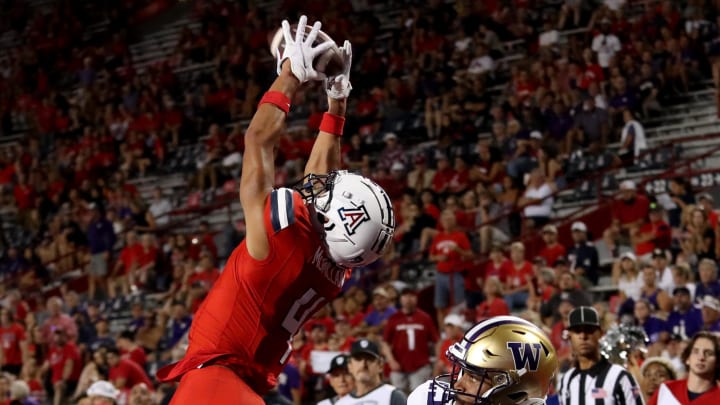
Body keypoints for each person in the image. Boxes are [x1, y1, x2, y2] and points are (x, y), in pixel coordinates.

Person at [156, 16, 395, 405]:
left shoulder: (280, 234)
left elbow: (257, 142)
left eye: (330, 195)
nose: (325, 184)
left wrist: (290, 73)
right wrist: (337, 99)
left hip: (218, 378)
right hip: (250, 386)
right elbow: (323, 177)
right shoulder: (338, 267)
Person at [407, 316, 558, 405]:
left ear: (515, 392)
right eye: (462, 372)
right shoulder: (431, 398)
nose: (458, 385)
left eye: (473, 377)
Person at [558, 306, 644, 405]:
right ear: (570, 336)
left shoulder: (619, 376)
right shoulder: (566, 380)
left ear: (601, 334)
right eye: (577, 331)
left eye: (589, 330)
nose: (583, 336)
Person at [381, 287, 438, 393]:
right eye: (405, 296)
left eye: (412, 296)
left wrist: (437, 362)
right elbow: (385, 343)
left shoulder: (425, 318)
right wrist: (391, 361)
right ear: (401, 299)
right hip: (398, 365)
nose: (408, 299)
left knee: (418, 396)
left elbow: (436, 341)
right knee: (398, 397)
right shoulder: (394, 318)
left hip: (420, 365)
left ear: (416, 298)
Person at [647, 331, 720, 404]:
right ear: (688, 358)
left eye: (708, 353)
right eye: (696, 351)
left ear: (718, 362)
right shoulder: (666, 389)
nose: (701, 357)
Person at [335, 339, 406, 404]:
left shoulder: (393, 396)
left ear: (380, 365)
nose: (363, 364)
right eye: (358, 359)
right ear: (350, 366)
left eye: (369, 359)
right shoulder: (341, 403)